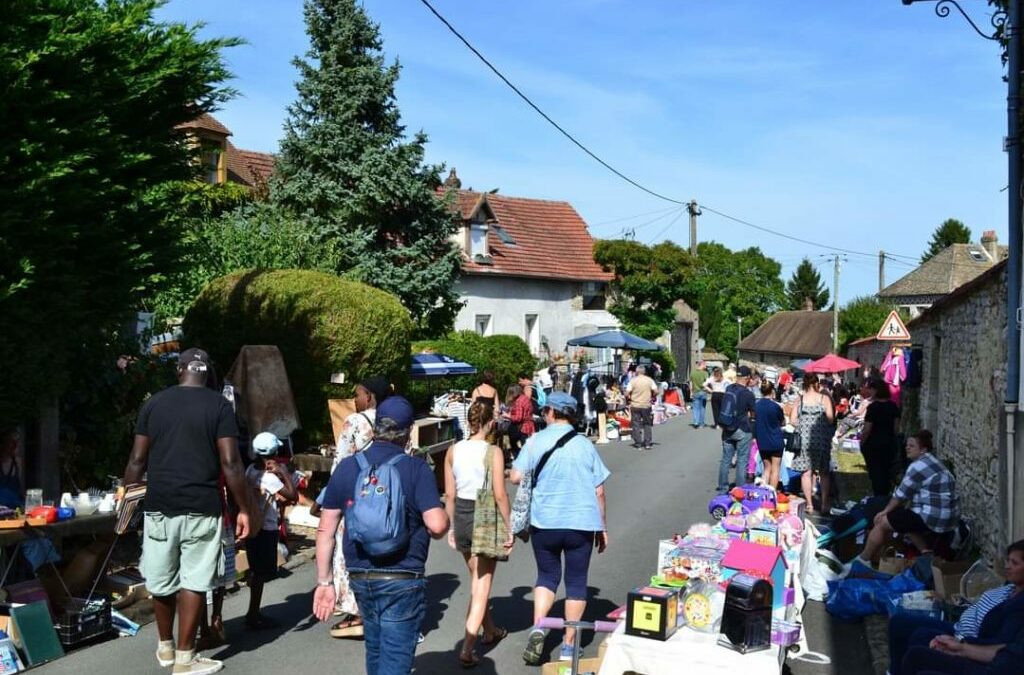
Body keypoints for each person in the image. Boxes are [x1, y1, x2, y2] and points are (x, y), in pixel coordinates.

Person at [122, 348, 251, 675]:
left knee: (161, 579)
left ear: (179, 369)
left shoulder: (155, 403)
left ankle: (165, 648)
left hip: (159, 505)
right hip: (202, 507)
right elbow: (231, 463)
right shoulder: (219, 406)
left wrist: (125, 503)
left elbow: (137, 460)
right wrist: (245, 509)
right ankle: (185, 658)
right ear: (207, 374)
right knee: (193, 581)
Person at [313, 396, 450, 675]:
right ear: (409, 430)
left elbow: (325, 529)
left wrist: (325, 582)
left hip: (361, 577)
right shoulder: (416, 468)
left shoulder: (348, 467)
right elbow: (437, 526)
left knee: (375, 652)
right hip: (402, 577)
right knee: (396, 660)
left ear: (375, 428)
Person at [510, 393, 609, 666]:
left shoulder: (535, 441)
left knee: (547, 576)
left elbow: (516, 476)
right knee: (576, 582)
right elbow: (599, 491)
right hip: (581, 523)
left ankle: (540, 627)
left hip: (545, 522)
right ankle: (568, 646)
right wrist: (602, 526)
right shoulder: (584, 445)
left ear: (551, 412)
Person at [444, 401, 513, 668]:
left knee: (475, 577)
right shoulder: (493, 452)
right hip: (484, 514)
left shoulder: (453, 451)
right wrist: (509, 525)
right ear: (490, 423)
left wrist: (451, 526)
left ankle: (490, 630)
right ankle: (467, 647)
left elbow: (449, 494)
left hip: (461, 513)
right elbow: (500, 494)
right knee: (482, 585)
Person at [889, 539, 1024, 675]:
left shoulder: (1018, 607)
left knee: (919, 643)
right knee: (899, 622)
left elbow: (1004, 647)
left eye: (1015, 563)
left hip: (972, 643)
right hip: (959, 628)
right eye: (1008, 561)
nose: (1007, 566)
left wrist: (961, 645)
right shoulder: (1009, 587)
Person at [328, 375, 391, 638]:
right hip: (383, 494)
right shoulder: (391, 419)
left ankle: (357, 612)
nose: (355, 399)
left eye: (358, 394)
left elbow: (341, 462)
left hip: (354, 496)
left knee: (346, 552)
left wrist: (330, 496)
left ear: (369, 396)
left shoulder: (355, 421)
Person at [858, 430, 960, 564]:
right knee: (903, 519)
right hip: (950, 518)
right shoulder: (936, 463)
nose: (907, 448)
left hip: (933, 517)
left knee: (882, 522)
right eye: (907, 445)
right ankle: (926, 554)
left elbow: (900, 495)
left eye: (912, 446)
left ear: (923, 449)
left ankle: (863, 560)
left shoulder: (918, 466)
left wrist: (884, 512)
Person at [244, 432, 296, 629]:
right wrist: (283, 472)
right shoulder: (270, 478)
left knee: (256, 568)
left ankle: (253, 611)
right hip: (266, 526)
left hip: (253, 523)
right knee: (260, 572)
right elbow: (293, 495)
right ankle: (253, 613)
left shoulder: (250, 470)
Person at [788, 373, 836, 515]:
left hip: (804, 441)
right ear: (816, 384)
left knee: (806, 473)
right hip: (821, 439)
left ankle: (809, 504)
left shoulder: (800, 399)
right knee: (824, 473)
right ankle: (824, 503)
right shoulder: (824, 398)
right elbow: (831, 419)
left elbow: (792, 420)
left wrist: (803, 423)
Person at [716, 366, 757, 493]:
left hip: (727, 427)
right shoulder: (748, 394)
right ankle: (739, 491)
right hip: (741, 429)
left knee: (726, 460)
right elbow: (754, 413)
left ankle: (722, 489)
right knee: (742, 460)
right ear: (747, 378)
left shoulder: (729, 388)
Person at [860, 378, 902, 497]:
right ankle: (884, 495)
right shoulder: (893, 406)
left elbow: (867, 429)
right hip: (889, 443)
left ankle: (878, 495)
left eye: (872, 390)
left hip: (873, 443)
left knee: (875, 471)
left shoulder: (873, 407)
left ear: (876, 391)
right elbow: (896, 428)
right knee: (886, 471)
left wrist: (862, 442)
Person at [755, 381, 785, 490]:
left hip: (762, 440)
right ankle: (772, 494)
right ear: (772, 391)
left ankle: (764, 493)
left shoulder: (756, 405)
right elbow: (782, 422)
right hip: (775, 440)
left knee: (766, 468)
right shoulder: (775, 407)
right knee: (775, 469)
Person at [626, 365, 658, 450]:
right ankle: (647, 443)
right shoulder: (649, 380)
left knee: (636, 424)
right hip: (646, 405)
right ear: (644, 372)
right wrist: (652, 396)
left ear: (637, 372)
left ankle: (638, 443)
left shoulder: (632, 381)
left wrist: (629, 398)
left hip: (635, 405)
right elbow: (656, 391)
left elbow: (626, 393)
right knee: (647, 424)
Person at [505, 384, 536, 457]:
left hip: (522, 427)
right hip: (529, 425)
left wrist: (508, 416)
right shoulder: (525, 398)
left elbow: (518, 418)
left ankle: (518, 456)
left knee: (513, 439)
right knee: (526, 447)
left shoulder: (518, 401)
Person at [0, 429, 22, 508]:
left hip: (15, 505)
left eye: (16, 443)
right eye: (12, 443)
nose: (15, 446)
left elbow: (20, 488)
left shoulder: (17, 462)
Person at [689, 361, 709, 429]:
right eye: (705, 365)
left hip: (695, 392)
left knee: (695, 408)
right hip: (703, 392)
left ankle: (696, 421)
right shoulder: (705, 373)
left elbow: (691, 383)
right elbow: (707, 382)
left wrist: (691, 392)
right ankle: (701, 424)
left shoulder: (692, 372)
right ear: (702, 365)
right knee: (702, 408)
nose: (706, 366)